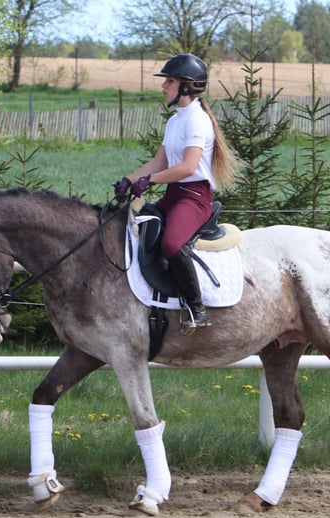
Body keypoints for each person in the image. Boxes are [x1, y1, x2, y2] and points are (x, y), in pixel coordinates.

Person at [114, 53, 237, 335]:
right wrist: (127, 180)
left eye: (169, 81)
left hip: (194, 197)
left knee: (171, 243)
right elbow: (159, 162)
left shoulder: (198, 120)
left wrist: (149, 181)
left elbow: (187, 167)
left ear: (187, 86)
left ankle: (196, 307)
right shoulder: (175, 121)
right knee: (137, 227)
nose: (163, 86)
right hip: (173, 194)